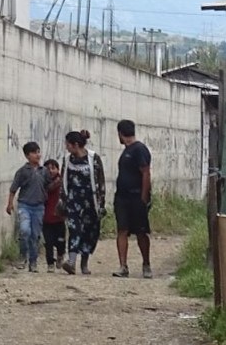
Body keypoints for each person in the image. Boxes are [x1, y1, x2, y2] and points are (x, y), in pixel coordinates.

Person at [60, 130, 106, 275]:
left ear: (76, 145)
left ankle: (84, 264)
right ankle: (71, 262)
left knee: (89, 231)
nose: (67, 148)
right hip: (73, 200)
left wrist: (101, 202)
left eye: (68, 144)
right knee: (74, 229)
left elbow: (100, 180)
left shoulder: (93, 158)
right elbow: (63, 180)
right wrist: (63, 199)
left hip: (91, 201)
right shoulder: (67, 160)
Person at [112, 119, 153, 278]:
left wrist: (143, 197)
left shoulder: (139, 149)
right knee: (122, 230)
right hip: (122, 197)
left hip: (136, 197)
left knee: (141, 232)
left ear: (121, 134)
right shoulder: (126, 151)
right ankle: (123, 266)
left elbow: (146, 172)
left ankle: (146, 264)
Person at [6, 141, 51, 272]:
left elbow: (49, 186)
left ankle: (33, 261)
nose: (37, 155)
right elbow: (13, 188)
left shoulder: (44, 172)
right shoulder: (22, 172)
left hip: (39, 207)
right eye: (33, 152)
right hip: (25, 205)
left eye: (38, 152)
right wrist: (10, 203)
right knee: (25, 231)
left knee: (35, 235)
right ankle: (22, 256)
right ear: (27, 156)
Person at [42, 159, 66, 272]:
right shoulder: (41, 183)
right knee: (49, 243)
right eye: (48, 169)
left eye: (53, 168)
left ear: (58, 169)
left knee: (61, 241)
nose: (50, 171)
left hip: (59, 218)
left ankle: (60, 255)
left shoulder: (63, 182)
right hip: (46, 219)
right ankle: (50, 263)